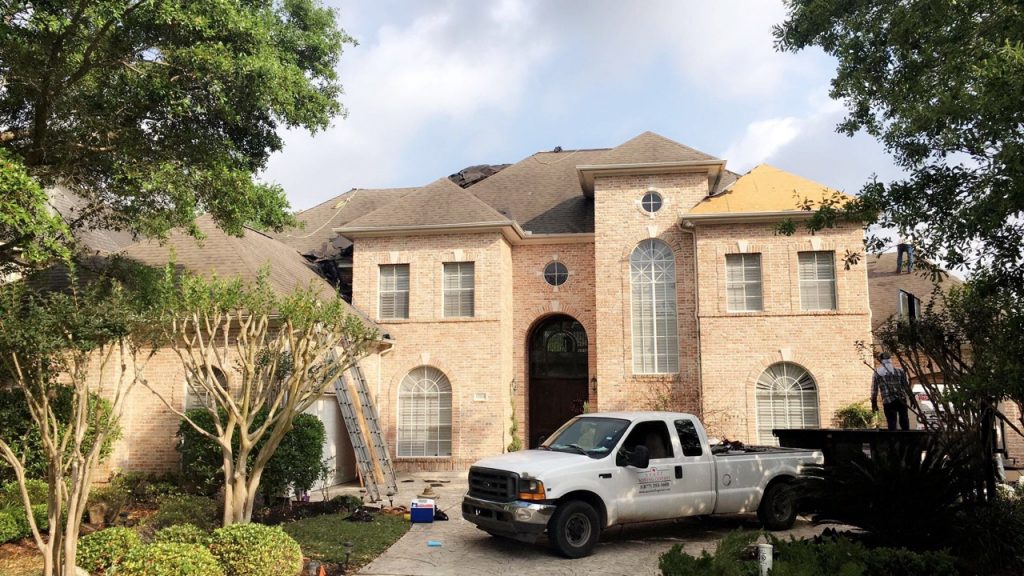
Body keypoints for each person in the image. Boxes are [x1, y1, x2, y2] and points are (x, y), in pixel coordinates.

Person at [871, 352, 911, 430]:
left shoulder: (877, 373)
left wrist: (874, 403)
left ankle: (893, 440)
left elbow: (874, 389)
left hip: (888, 401)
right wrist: (911, 397)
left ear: (881, 360)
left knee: (891, 422)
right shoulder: (900, 371)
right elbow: (906, 386)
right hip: (901, 399)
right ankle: (906, 438)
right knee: (904, 421)